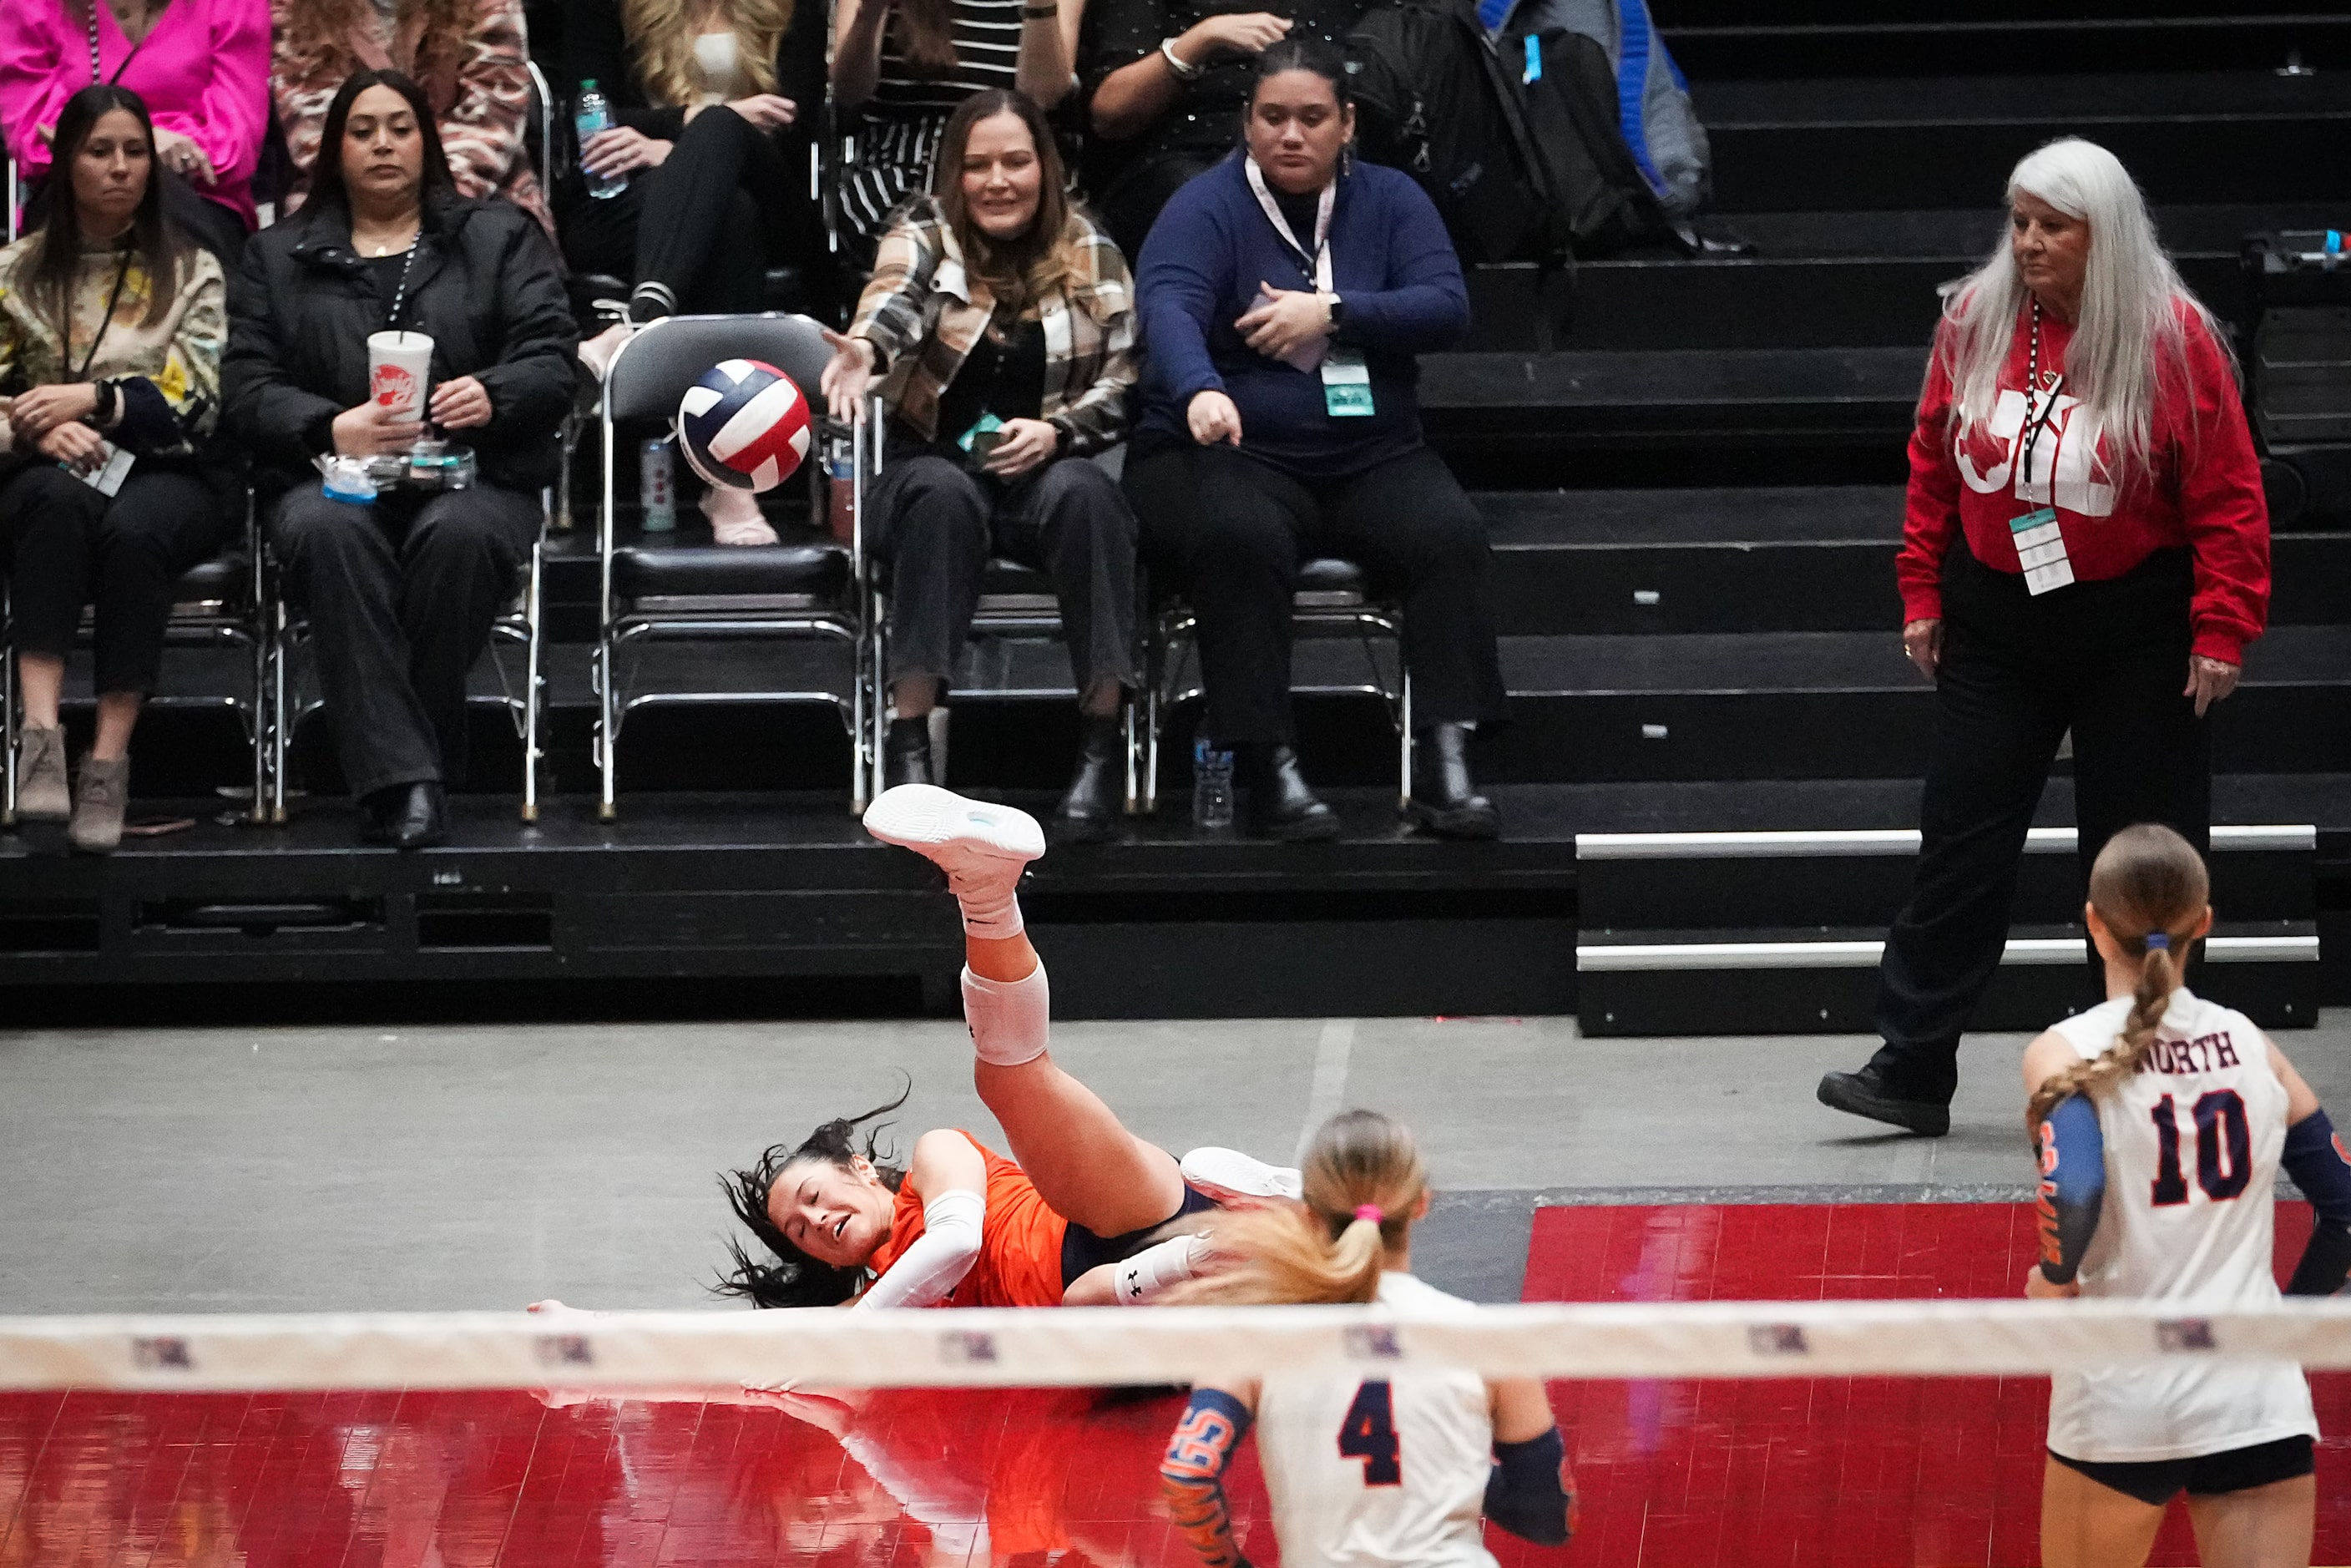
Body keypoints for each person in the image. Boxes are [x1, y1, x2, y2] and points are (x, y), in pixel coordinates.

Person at [1818, 138, 2270, 1137]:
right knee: (1959, 843)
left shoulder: (2173, 338)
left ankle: (2142, 1058)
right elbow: (1932, 463)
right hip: (1996, 614)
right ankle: (1909, 1066)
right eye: (2017, 222)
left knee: (2136, 856)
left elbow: (2228, 497)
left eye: (2050, 227)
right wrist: (1918, 591)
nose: (2025, 242)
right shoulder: (1973, 322)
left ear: (2099, 237)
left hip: (2135, 626)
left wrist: (2222, 626)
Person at [715, 781, 1300, 1308]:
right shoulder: (883, 1304)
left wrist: (860, 1326)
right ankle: (1256, 1224)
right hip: (1133, 1301)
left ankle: (986, 889)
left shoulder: (935, 1158)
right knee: (1085, 1306)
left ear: (863, 1170)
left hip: (1111, 1214)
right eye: (800, 1232)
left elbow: (957, 1244)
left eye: (814, 1196)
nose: (816, 1221)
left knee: (1007, 1080)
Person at [1127, 42, 1507, 842]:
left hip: (1369, 454)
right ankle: (1266, 764)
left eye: (1311, 118)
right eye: (1273, 118)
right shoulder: (1206, 204)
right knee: (1239, 535)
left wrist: (1333, 312)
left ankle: (1444, 756)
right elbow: (1168, 302)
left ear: (1348, 125)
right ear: (1246, 124)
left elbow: (1446, 306)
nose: (1291, 135)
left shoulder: (1393, 198)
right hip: (1230, 450)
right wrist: (1198, 386)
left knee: (1450, 534)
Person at [223, 69, 575, 849]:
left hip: (474, 474)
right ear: (333, 148)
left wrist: (492, 394)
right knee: (328, 532)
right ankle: (416, 775)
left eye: (400, 127)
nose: (383, 143)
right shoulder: (276, 255)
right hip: (334, 481)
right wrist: (328, 426)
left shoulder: (497, 235)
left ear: (427, 141)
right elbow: (245, 389)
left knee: (456, 536)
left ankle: (396, 771)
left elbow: (555, 358)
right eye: (362, 130)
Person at [2019, 823, 2348, 1568]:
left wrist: (2055, 1279)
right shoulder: (2250, 1042)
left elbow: (2074, 1185)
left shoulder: (2063, 1050)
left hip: (2118, 1399)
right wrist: (2283, 1328)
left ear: (2095, 925)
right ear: (2205, 923)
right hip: (2256, 1399)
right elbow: (2347, 1209)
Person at [817, 89, 1140, 841]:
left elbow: (1126, 382)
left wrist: (1059, 431)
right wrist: (867, 351)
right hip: (928, 465)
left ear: (1045, 169)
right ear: (953, 176)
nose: (998, 180)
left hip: (1041, 473)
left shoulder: (1090, 244)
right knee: (941, 497)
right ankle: (911, 751)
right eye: (978, 165)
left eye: (1016, 162)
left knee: (1089, 498)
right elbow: (891, 302)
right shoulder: (924, 232)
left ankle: (1101, 745)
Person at [1158, 1108, 1576, 1568]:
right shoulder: (1484, 1340)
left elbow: (1187, 1474)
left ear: (1311, 1215)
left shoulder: (1257, 1341)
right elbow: (1550, 1519)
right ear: (1420, 1203)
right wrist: (1457, 1462)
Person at [0, 84, 230, 854]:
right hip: (47, 473)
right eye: (100, 150)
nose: (121, 167)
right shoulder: (16, 272)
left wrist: (93, 401)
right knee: (53, 505)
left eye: (135, 151)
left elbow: (199, 405)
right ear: (65, 163)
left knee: (133, 531)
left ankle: (106, 761)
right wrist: (37, 431)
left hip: (169, 471)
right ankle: (37, 736)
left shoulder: (192, 270)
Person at [562, 0, 827, 545]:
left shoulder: (796, 8)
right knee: (728, 215)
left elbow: (792, 119)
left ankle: (636, 332)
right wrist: (686, 134)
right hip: (643, 201)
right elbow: (591, 111)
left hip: (772, 188)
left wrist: (685, 139)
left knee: (722, 128)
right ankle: (729, 482)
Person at [1079, 0, 1361, 261]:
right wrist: (1203, 38)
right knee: (1209, 203)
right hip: (1185, 156)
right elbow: (1110, 112)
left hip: (1316, 144)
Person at [0, 0, 270, 262]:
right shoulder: (29, 4)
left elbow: (235, 146)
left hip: (199, 196)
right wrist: (142, 143)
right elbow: (34, 139)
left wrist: (128, 150)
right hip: (75, 194)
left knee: (172, 221)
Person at [830, 0, 1083, 263]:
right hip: (901, 175)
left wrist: (1039, 7)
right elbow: (848, 91)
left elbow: (1042, 96)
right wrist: (871, 15)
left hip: (1010, 172)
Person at [270, 0, 550, 236]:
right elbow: (317, 135)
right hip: (341, 196)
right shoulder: (296, 9)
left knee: (488, 242)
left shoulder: (488, 4)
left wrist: (418, 219)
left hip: (476, 196)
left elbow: (487, 130)